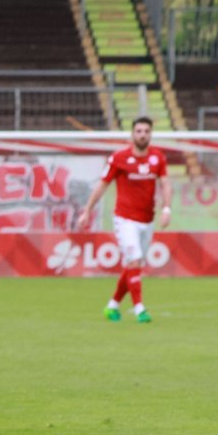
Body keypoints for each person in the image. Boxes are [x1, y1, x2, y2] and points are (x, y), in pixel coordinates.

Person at [76, 116, 171, 323]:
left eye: (146, 131)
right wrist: (87, 210)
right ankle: (140, 309)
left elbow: (165, 183)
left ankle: (113, 305)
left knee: (132, 265)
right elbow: (103, 184)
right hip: (125, 219)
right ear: (132, 134)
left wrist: (167, 208)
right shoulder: (119, 158)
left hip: (147, 220)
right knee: (135, 259)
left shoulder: (158, 158)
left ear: (151, 134)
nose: (142, 134)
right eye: (139, 131)